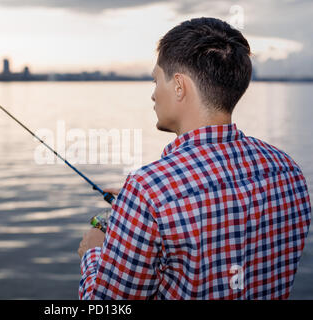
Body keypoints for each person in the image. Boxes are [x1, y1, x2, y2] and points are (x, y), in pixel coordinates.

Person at [77, 17, 311, 300]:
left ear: (179, 85)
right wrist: (131, 210)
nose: (153, 95)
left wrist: (94, 253)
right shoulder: (287, 171)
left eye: (156, 80)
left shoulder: (148, 190)